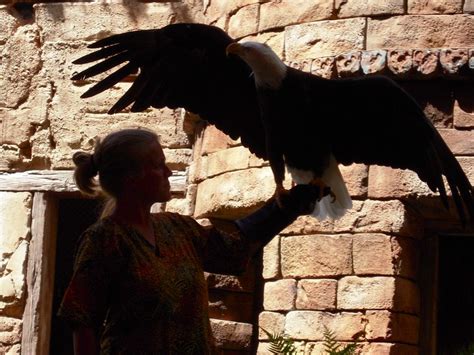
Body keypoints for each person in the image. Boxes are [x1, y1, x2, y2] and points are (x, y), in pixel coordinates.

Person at [58, 128, 326, 355]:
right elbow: (82, 321)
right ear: (132, 177)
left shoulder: (177, 227)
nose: (168, 171)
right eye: (158, 165)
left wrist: (290, 205)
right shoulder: (105, 239)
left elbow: (234, 249)